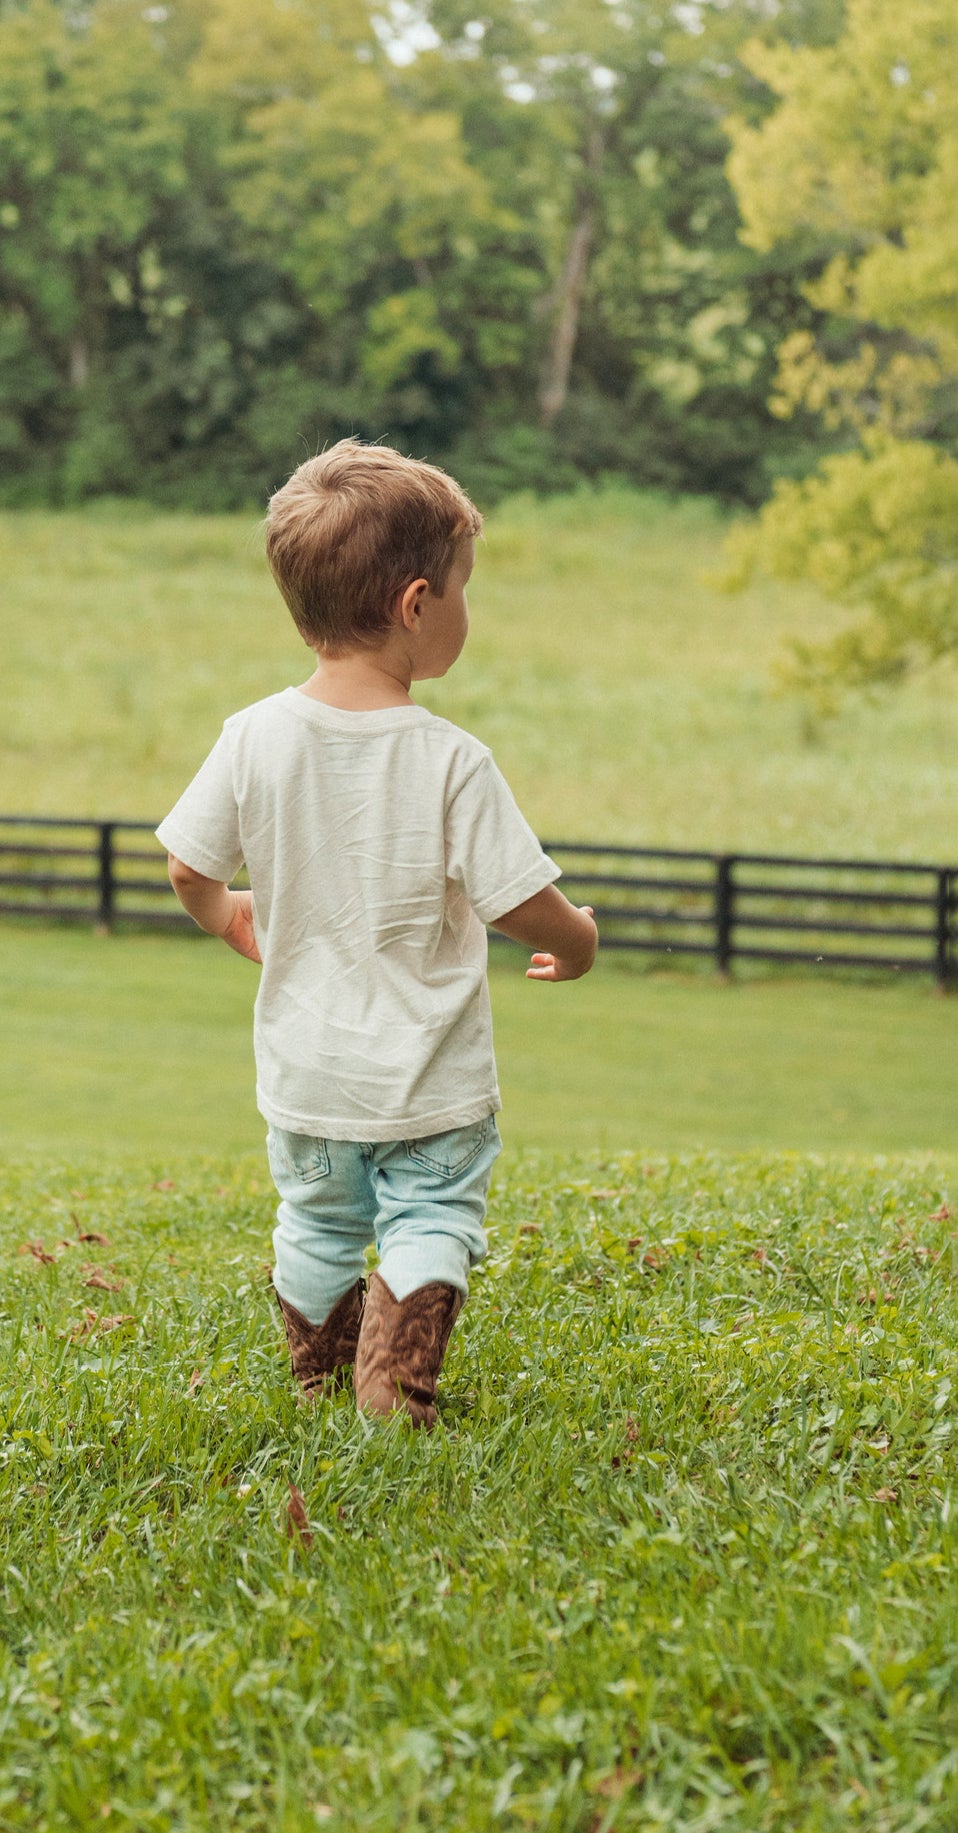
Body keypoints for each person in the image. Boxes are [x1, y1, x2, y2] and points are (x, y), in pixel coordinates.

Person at [156, 440, 597, 1428]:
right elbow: (516, 901)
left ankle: (319, 1381)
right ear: (414, 606)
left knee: (314, 1220)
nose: (464, 610)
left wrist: (229, 919)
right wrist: (575, 944)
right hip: (428, 1084)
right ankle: (391, 1394)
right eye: (461, 590)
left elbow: (190, 866)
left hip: (307, 1082)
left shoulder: (252, 737)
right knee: (429, 1217)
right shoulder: (450, 762)